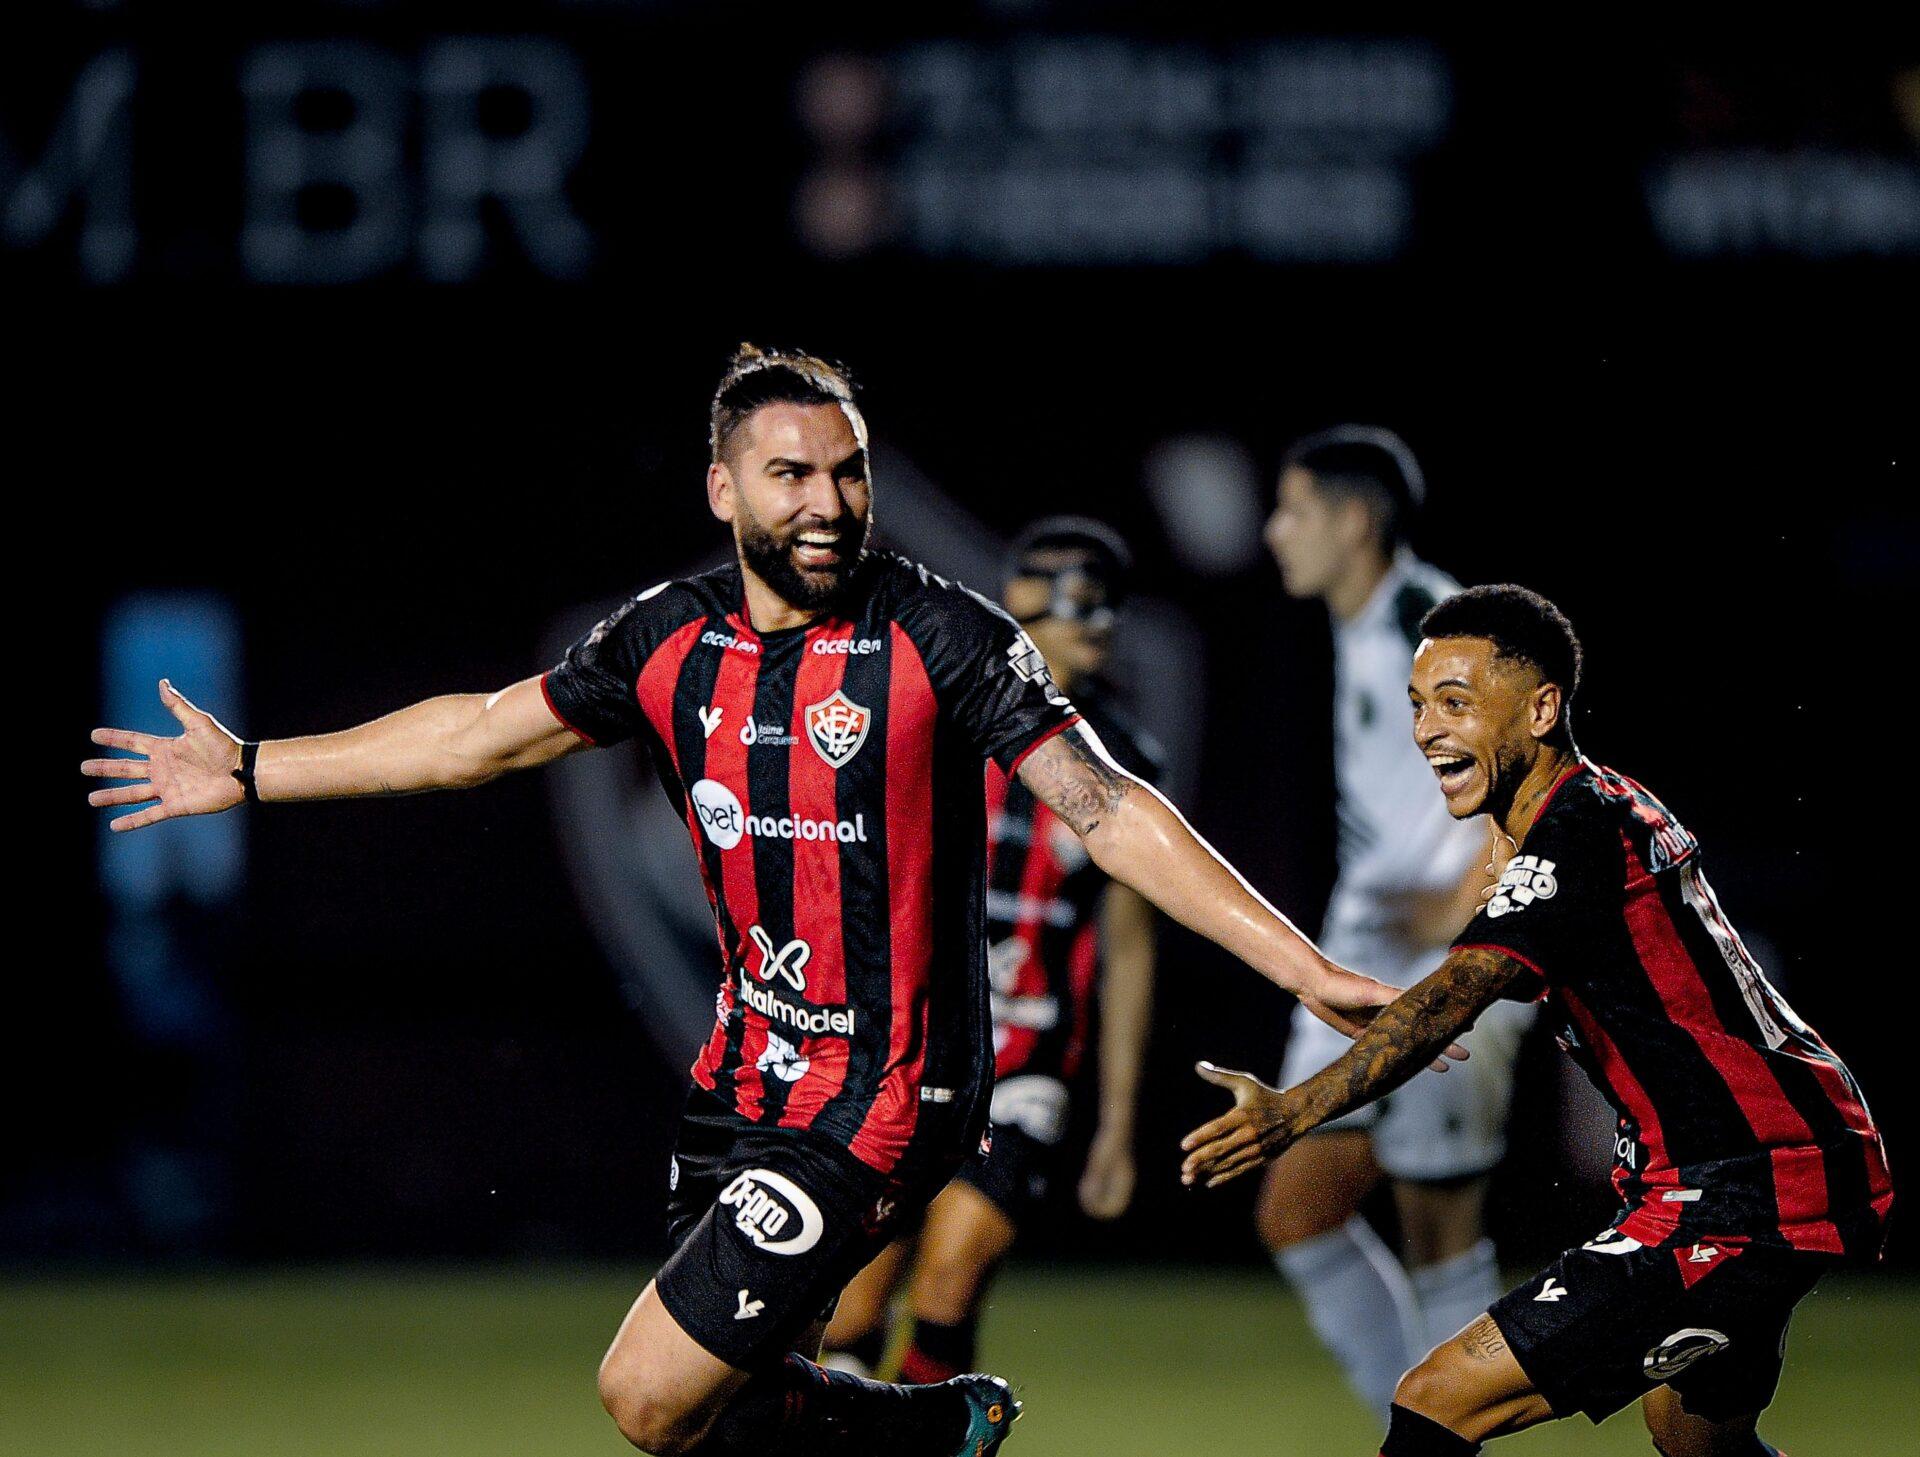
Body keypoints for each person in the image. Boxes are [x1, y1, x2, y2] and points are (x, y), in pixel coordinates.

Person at [84, 345, 1409, 1457]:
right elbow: (479, 734)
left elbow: (1109, 807)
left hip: (890, 1088)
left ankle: (913, 1428)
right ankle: (925, 1431)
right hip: (745, 1078)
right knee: (725, 1419)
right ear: (725, 487)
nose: (829, 502)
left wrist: (1301, 967)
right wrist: (254, 768)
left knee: (645, 1393)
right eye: (793, 473)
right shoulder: (669, 638)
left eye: (848, 470)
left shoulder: (939, 635)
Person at [1182, 584, 1893, 1457]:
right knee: (1693, 1439)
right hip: (1780, 1165)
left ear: (1543, 706)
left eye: (1456, 702)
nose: (1427, 729)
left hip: (1743, 1186)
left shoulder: (1576, 830)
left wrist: (1296, 1109)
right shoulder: (1586, 809)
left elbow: (1459, 991)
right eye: (1417, 704)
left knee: (1437, 1397)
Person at [821, 518, 1161, 1384]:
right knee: (853, 1309)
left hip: (1028, 1064)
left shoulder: (1125, 763)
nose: (1099, 628)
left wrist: (1117, 1125)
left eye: (1109, 609)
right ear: (1022, 611)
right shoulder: (939, 725)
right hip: (912, 1053)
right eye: (1080, 605)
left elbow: (1126, 953)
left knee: (949, 1281)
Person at [1260, 427, 1534, 1412]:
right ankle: (1413, 1426)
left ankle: (1443, 1434)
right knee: (1295, 1210)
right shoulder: (1369, 625)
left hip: (1456, 961)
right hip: (1369, 960)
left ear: (1353, 520)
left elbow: (1539, 763)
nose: (1273, 530)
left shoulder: (1431, 625)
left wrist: (1466, 905)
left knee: (1441, 1234)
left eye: (1293, 509)